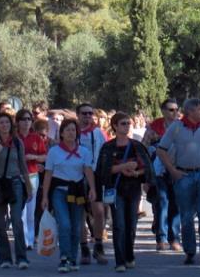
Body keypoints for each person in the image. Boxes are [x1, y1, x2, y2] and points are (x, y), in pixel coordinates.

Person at [156, 98, 200, 266]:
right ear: (189, 112)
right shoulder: (177, 127)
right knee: (187, 216)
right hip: (184, 176)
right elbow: (161, 150)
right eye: (199, 110)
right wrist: (173, 171)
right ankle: (189, 252)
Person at [97, 112, 156, 272]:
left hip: (134, 188)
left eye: (128, 123)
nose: (127, 126)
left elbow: (147, 168)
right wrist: (123, 167)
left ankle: (129, 256)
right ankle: (120, 261)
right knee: (119, 225)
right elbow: (104, 170)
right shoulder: (108, 147)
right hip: (116, 190)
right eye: (123, 123)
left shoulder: (136, 146)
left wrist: (136, 173)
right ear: (115, 126)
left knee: (131, 224)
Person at [42, 119, 96, 273]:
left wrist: (92, 188)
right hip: (59, 191)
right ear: (62, 133)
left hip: (77, 192)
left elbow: (88, 171)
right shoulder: (54, 151)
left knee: (75, 226)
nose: (71, 133)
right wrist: (45, 197)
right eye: (68, 130)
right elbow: (48, 175)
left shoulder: (83, 151)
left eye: (74, 130)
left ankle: (73, 258)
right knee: (64, 224)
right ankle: (64, 258)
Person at [0, 112, 34, 269]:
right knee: (0, 223)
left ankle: (21, 258)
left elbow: (23, 165)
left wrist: (28, 185)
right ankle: (4, 258)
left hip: (14, 182)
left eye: (7, 122)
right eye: (1, 122)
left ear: (11, 125)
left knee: (17, 220)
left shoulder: (17, 143)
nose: (5, 125)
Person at [141, 98, 182, 251]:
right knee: (161, 202)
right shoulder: (154, 128)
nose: (175, 112)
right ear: (164, 111)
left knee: (175, 204)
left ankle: (175, 238)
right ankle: (161, 237)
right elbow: (144, 152)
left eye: (177, 109)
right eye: (171, 110)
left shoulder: (182, 126)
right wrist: (145, 177)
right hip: (158, 171)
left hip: (178, 169)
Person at [75, 103, 109, 265]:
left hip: (95, 175)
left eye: (90, 113)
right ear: (78, 115)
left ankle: (98, 245)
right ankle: (84, 249)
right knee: (79, 213)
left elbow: (105, 153)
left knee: (99, 211)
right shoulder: (72, 132)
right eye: (84, 114)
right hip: (75, 176)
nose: (88, 116)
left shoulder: (98, 133)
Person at [16, 108, 47, 250]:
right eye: (24, 119)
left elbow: (45, 156)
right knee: (20, 210)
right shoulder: (14, 138)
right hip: (17, 176)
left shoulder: (36, 138)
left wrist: (34, 158)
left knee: (31, 209)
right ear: (17, 122)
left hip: (33, 175)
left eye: (29, 119)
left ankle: (29, 240)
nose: (27, 122)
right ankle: (21, 239)